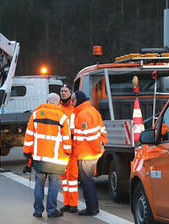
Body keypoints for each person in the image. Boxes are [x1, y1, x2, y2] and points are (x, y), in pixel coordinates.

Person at [23, 92, 72, 219]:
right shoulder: (62, 117)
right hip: (56, 159)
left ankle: (38, 211)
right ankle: (51, 211)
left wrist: (27, 153)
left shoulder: (35, 114)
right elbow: (66, 139)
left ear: (47, 101)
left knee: (39, 185)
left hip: (39, 158)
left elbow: (29, 136)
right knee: (53, 185)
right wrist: (68, 152)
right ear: (58, 103)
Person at [71, 90, 107, 216]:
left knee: (86, 182)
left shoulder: (83, 114)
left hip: (86, 153)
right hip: (91, 152)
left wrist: (96, 149)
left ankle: (91, 208)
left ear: (79, 100)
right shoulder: (92, 110)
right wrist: (101, 146)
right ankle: (94, 208)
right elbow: (101, 131)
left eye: (74, 99)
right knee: (88, 181)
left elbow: (90, 136)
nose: (72, 102)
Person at [58, 84, 80, 212]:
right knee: (64, 178)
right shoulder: (58, 108)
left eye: (66, 91)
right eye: (61, 91)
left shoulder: (74, 109)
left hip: (72, 148)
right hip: (61, 148)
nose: (63, 93)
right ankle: (66, 203)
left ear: (70, 93)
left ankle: (73, 204)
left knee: (72, 178)